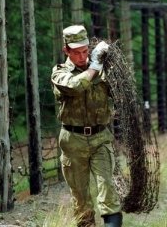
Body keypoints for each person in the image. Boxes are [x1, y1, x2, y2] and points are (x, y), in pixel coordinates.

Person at [51, 25, 123, 227]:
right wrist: (94, 68)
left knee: (107, 188)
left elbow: (119, 94)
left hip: (101, 137)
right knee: (81, 198)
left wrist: (106, 66)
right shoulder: (60, 72)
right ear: (66, 50)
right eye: (76, 52)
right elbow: (74, 86)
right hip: (73, 140)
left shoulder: (103, 68)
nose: (82, 56)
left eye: (85, 51)